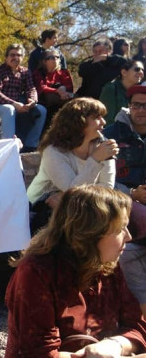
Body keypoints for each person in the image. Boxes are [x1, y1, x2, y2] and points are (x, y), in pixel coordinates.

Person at [5, 185, 146, 357]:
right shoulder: (36, 273)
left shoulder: (108, 266)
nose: (129, 237)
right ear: (90, 233)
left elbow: (137, 326)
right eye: (119, 229)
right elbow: (38, 352)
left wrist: (115, 345)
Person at [27, 98, 118, 233]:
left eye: (102, 117)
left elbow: (107, 189)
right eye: (96, 117)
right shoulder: (54, 151)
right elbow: (73, 190)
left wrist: (65, 197)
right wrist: (95, 160)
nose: (103, 122)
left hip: (83, 207)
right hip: (40, 210)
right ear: (79, 122)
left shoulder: (103, 147)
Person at [104, 85, 146, 316]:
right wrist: (132, 194)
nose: (140, 110)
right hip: (122, 203)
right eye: (136, 105)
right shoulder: (112, 134)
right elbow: (103, 178)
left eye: (145, 105)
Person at [0, 44, 47, 151]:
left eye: (18, 55)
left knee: (41, 110)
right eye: (12, 55)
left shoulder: (25, 72)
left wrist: (32, 100)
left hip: (18, 104)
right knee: (9, 109)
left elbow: (31, 88)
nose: (15, 58)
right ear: (6, 57)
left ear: (22, 58)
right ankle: (9, 147)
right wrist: (14, 103)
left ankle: (30, 146)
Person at [33, 48, 74, 127]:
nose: (55, 59)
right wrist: (57, 91)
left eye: (57, 57)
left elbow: (70, 86)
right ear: (45, 61)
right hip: (45, 100)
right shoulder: (39, 72)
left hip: (64, 97)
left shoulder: (64, 72)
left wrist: (63, 88)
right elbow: (41, 88)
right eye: (51, 57)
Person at [99, 60, 144, 124]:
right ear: (124, 72)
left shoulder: (137, 93)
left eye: (143, 70)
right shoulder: (111, 89)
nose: (141, 72)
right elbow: (107, 119)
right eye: (137, 69)